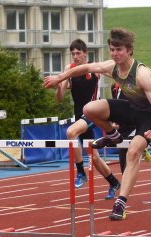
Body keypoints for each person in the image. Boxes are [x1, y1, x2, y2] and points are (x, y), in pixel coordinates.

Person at [44, 28, 151, 220]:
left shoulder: (142, 74)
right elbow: (84, 68)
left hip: (147, 116)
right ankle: (111, 134)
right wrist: (59, 78)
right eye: (112, 49)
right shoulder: (112, 66)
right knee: (88, 109)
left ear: (129, 51)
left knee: (133, 151)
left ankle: (121, 202)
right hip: (131, 109)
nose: (115, 54)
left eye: (119, 50)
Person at [54, 39, 121, 200]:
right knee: (95, 157)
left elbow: (115, 73)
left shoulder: (94, 69)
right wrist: (58, 85)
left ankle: (81, 173)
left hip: (92, 114)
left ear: (85, 54)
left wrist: (120, 90)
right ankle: (113, 182)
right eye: (73, 54)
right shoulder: (69, 70)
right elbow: (59, 98)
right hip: (79, 116)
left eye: (78, 53)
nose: (75, 56)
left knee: (71, 133)